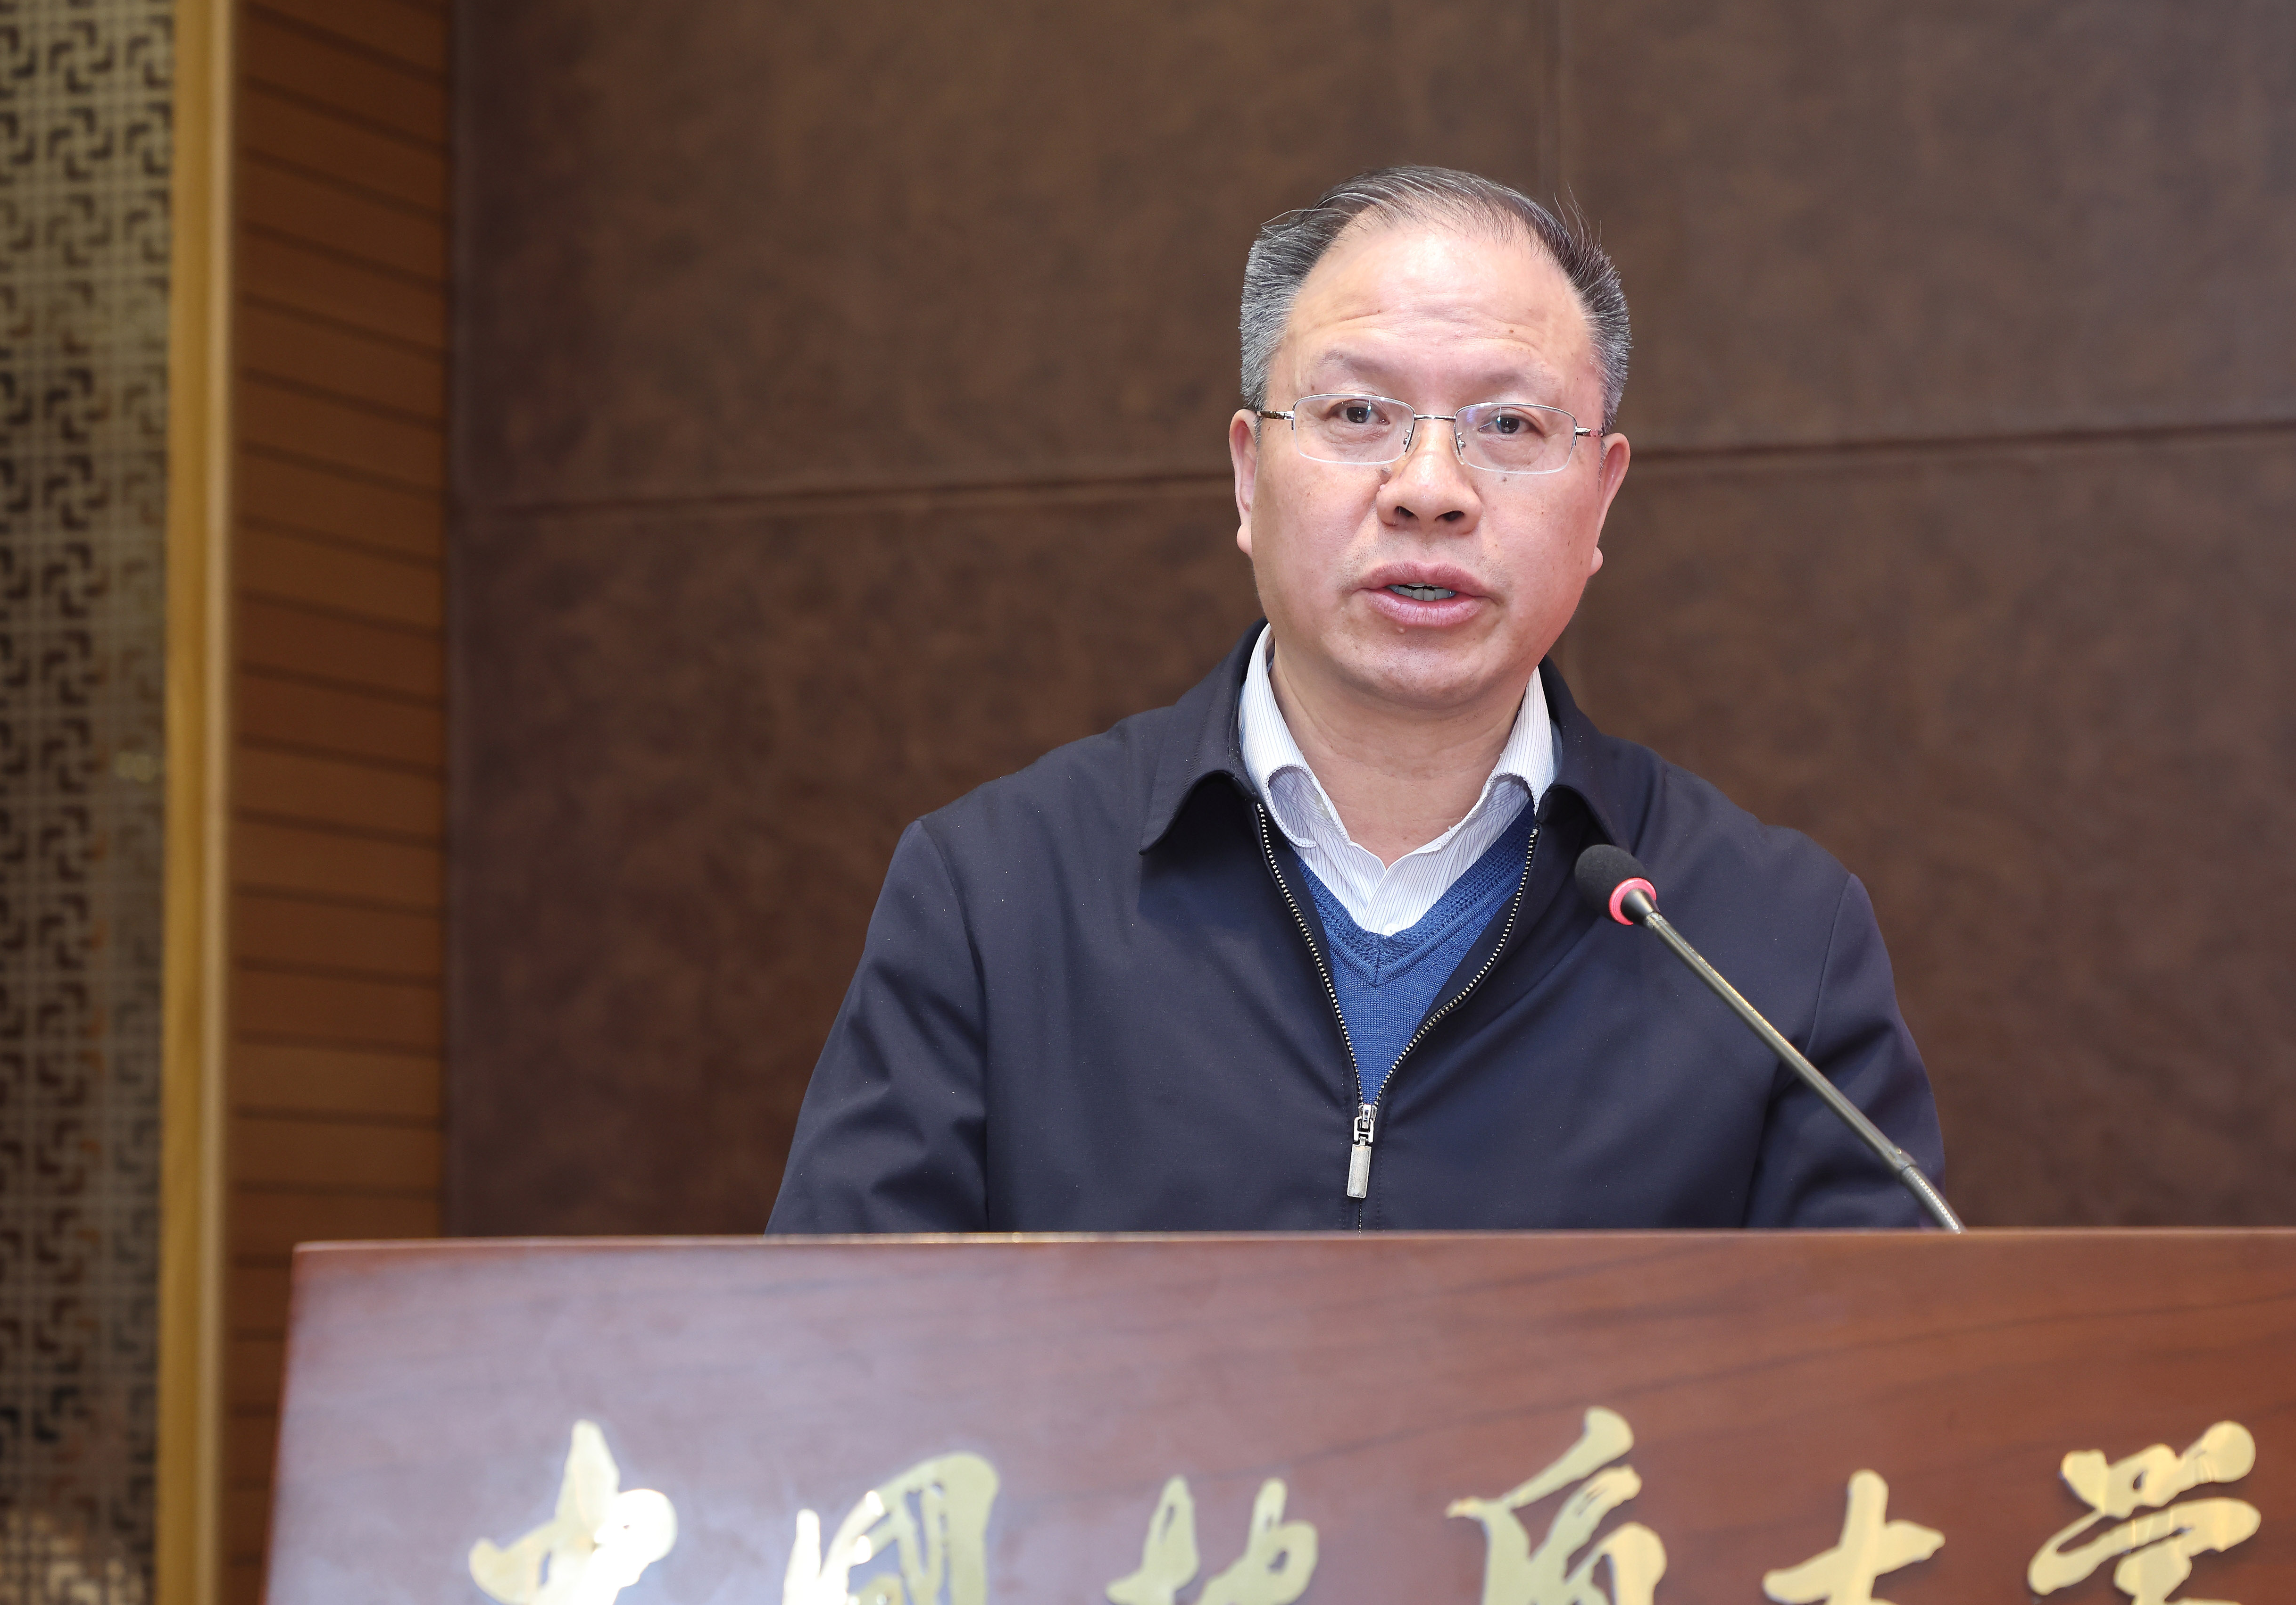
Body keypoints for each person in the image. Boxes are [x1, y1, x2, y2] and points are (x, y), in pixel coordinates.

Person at [765, 166, 1941, 1236]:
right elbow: (838, 1361)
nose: (1428, 489)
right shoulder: (995, 893)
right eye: (1357, 414)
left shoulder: (1768, 940)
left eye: (1508, 425)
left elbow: (1876, 1378)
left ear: (1600, 495)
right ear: (1247, 473)